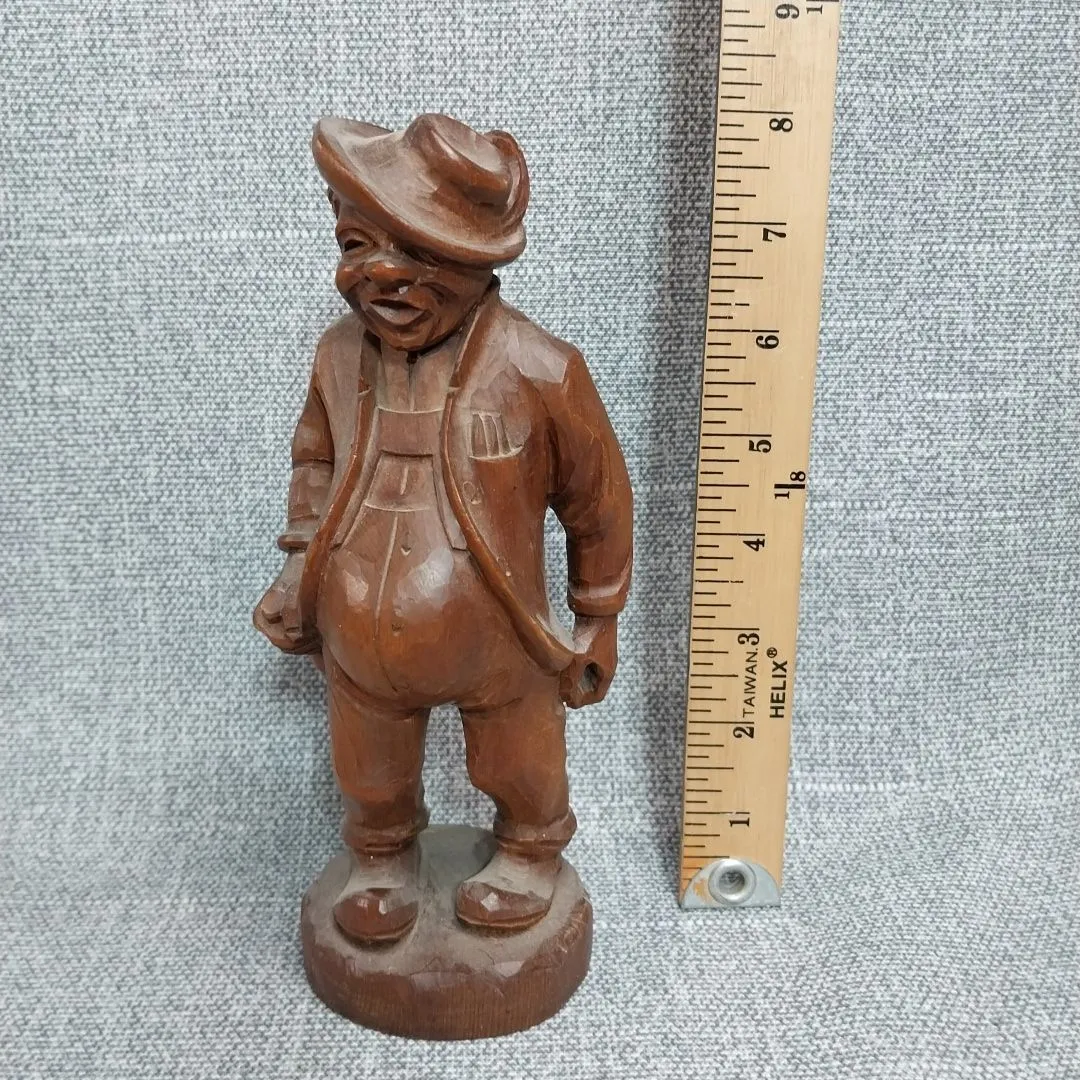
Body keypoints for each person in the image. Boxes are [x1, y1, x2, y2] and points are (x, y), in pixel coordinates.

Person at [254, 114, 633, 944]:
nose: (383, 273)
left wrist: (598, 618)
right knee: (370, 768)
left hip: (499, 632)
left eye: (420, 251)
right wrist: (296, 563)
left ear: (478, 258)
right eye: (357, 244)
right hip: (357, 624)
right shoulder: (338, 358)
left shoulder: (540, 367)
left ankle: (530, 849)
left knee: (516, 756)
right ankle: (381, 858)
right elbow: (313, 461)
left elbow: (598, 501)